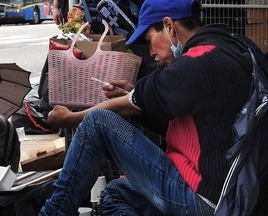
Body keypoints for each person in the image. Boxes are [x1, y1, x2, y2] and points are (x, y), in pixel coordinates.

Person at [39, 0, 254, 215]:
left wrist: (71, 118)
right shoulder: (227, 49)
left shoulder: (195, 64)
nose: (150, 51)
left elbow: (134, 102)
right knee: (115, 193)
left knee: (98, 122)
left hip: (206, 201)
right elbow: (171, 113)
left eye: (150, 39)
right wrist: (134, 97)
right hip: (229, 196)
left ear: (169, 26)